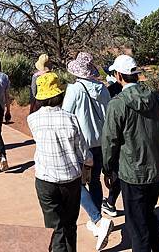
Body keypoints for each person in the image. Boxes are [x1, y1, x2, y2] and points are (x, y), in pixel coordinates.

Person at [102, 54, 159, 252]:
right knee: (149, 214)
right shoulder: (156, 97)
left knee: (137, 225)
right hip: (156, 170)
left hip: (132, 174)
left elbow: (110, 141)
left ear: (118, 75)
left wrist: (108, 169)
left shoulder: (117, 104)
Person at [27, 72, 91, 252]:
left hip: (46, 180)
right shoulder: (71, 119)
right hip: (71, 180)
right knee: (70, 225)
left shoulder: (32, 120)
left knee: (55, 228)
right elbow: (84, 152)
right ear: (59, 95)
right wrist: (87, 165)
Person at [62, 52, 113, 250]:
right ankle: (96, 217)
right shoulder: (103, 88)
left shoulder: (75, 89)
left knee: (76, 183)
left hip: (83, 144)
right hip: (102, 141)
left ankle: (98, 218)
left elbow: (66, 115)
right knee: (95, 180)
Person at [101, 68, 123, 218]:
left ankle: (111, 202)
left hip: (116, 138)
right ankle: (110, 202)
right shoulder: (146, 93)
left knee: (115, 172)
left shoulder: (109, 92)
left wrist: (106, 167)